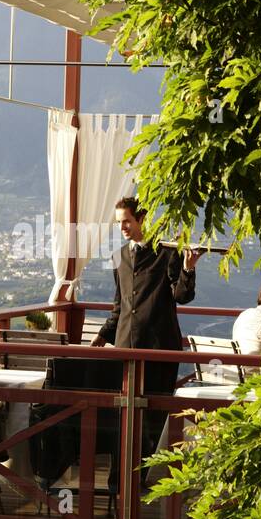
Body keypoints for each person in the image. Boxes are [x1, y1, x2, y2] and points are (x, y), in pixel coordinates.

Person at [92, 197, 203, 464]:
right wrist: (104, 334)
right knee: (124, 416)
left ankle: (145, 478)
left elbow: (181, 296)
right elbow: (120, 305)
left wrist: (188, 268)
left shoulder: (166, 252)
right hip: (125, 349)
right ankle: (121, 480)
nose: (122, 228)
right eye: (119, 223)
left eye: (127, 221)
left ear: (141, 218)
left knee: (153, 418)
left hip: (159, 349)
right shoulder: (118, 256)